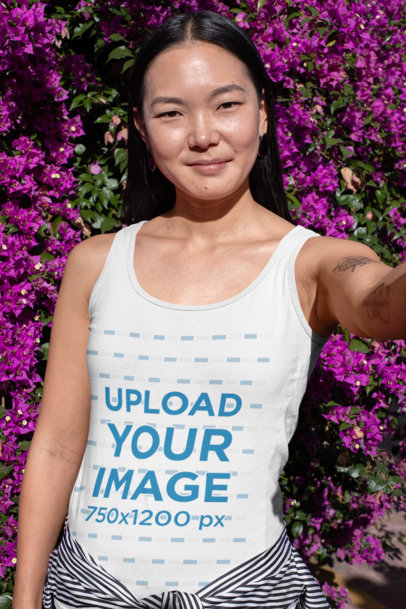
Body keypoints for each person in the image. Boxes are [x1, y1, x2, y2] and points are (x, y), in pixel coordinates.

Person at [12, 10, 405, 609]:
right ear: (143, 131)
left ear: (263, 113)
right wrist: (26, 600)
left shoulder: (310, 264)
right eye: (171, 112)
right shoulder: (97, 263)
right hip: (87, 591)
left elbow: (380, 303)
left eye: (226, 105)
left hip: (246, 592)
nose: (202, 134)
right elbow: (59, 446)